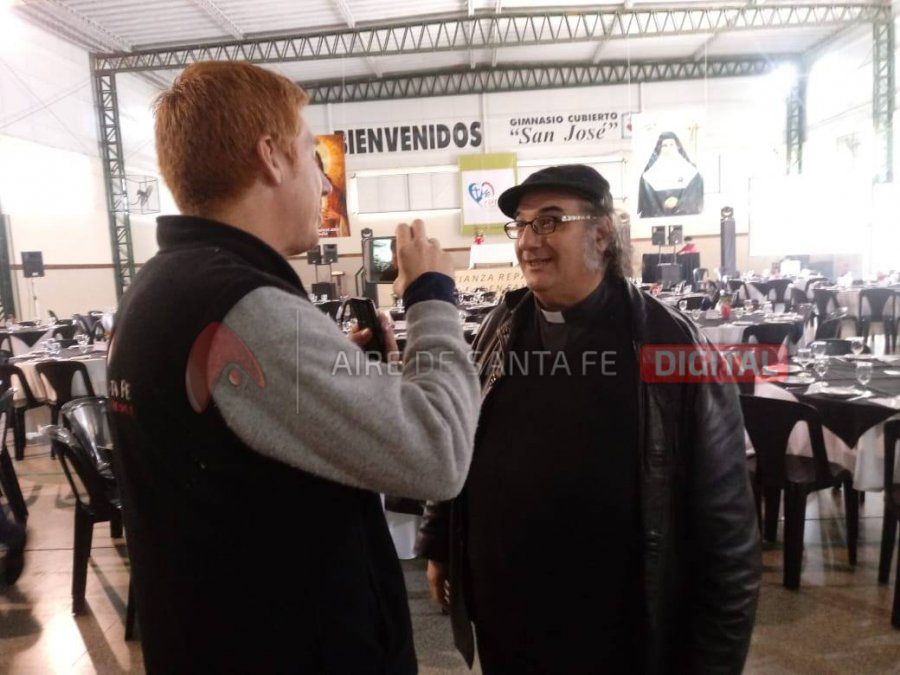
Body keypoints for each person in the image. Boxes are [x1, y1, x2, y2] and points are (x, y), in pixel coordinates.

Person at [107, 61, 480, 673]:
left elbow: (233, 434)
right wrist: (434, 295)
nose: (327, 185)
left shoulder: (158, 286)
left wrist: (341, 370)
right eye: (315, 158)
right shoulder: (246, 308)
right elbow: (436, 455)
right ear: (271, 157)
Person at [416, 164, 760, 673]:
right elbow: (465, 434)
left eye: (550, 221)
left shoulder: (672, 346)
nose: (529, 240)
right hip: (507, 620)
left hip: (616, 634)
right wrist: (441, 537)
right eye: (523, 225)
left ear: (601, 233)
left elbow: (728, 538)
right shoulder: (501, 324)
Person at [638, 131, 704, 217]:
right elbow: (647, 205)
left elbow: (695, 200)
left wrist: (679, 202)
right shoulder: (648, 177)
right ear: (659, 149)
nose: (668, 148)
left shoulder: (692, 173)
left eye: (671, 145)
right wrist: (663, 204)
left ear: (677, 147)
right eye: (664, 146)